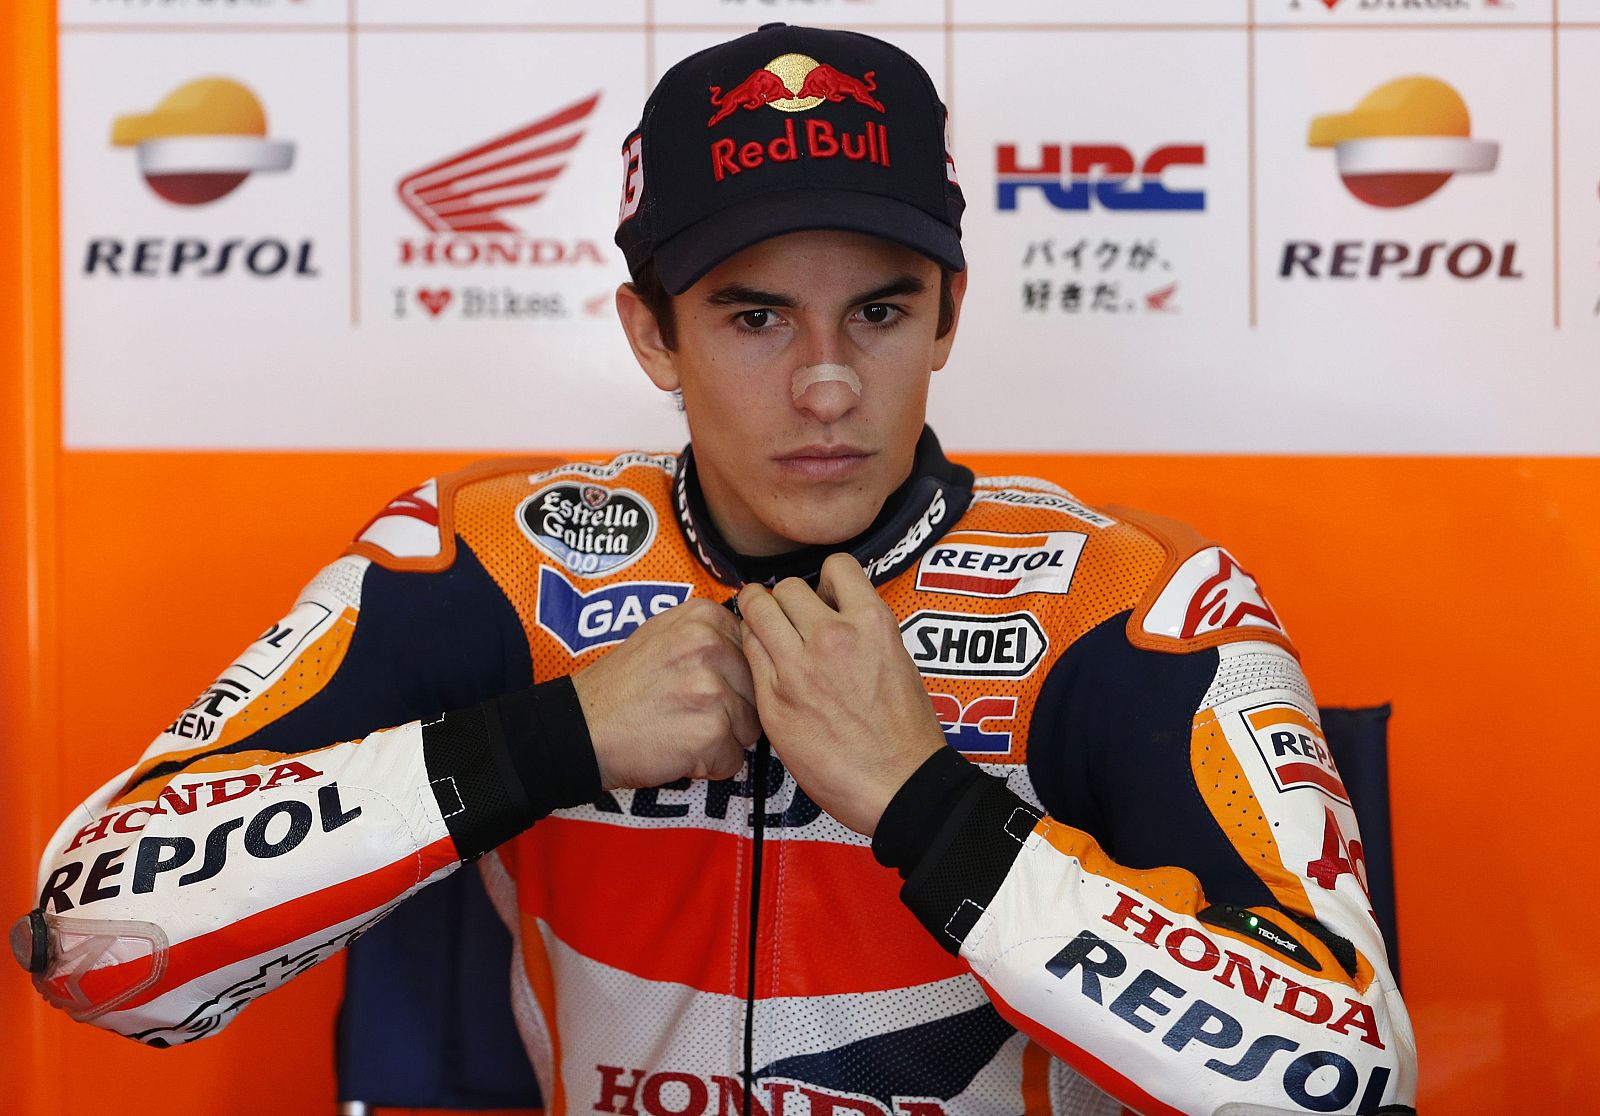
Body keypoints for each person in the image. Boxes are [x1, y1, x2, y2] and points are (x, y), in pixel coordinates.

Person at [13, 22, 1416, 1116]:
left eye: (879, 309)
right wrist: (547, 739)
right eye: (753, 316)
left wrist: (929, 808)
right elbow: (95, 947)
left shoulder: (1129, 605)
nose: (823, 384)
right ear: (649, 333)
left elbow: (1347, 1077)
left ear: (949, 320)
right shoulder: (491, 562)